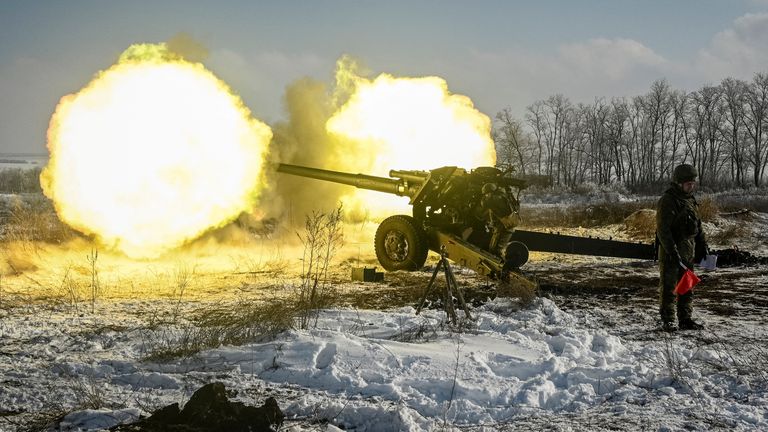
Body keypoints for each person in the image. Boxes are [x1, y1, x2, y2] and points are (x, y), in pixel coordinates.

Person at [656, 163, 708, 332]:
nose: (691, 186)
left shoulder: (691, 200)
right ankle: (668, 320)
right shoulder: (668, 200)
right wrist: (672, 251)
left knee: (686, 286)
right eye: (688, 184)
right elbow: (663, 230)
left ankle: (685, 319)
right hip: (671, 251)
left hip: (688, 251)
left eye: (693, 183)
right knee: (669, 288)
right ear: (678, 183)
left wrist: (702, 245)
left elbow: (697, 226)